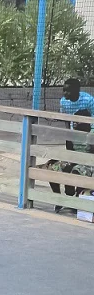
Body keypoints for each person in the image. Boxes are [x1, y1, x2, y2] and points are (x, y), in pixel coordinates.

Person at [48, 78, 94, 210]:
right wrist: (70, 137)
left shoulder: (89, 101)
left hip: (87, 145)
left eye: (68, 90)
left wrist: (90, 136)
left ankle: (76, 199)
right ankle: (62, 198)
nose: (65, 93)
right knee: (55, 167)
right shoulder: (64, 102)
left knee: (77, 171)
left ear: (76, 90)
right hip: (73, 139)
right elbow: (66, 121)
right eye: (64, 90)